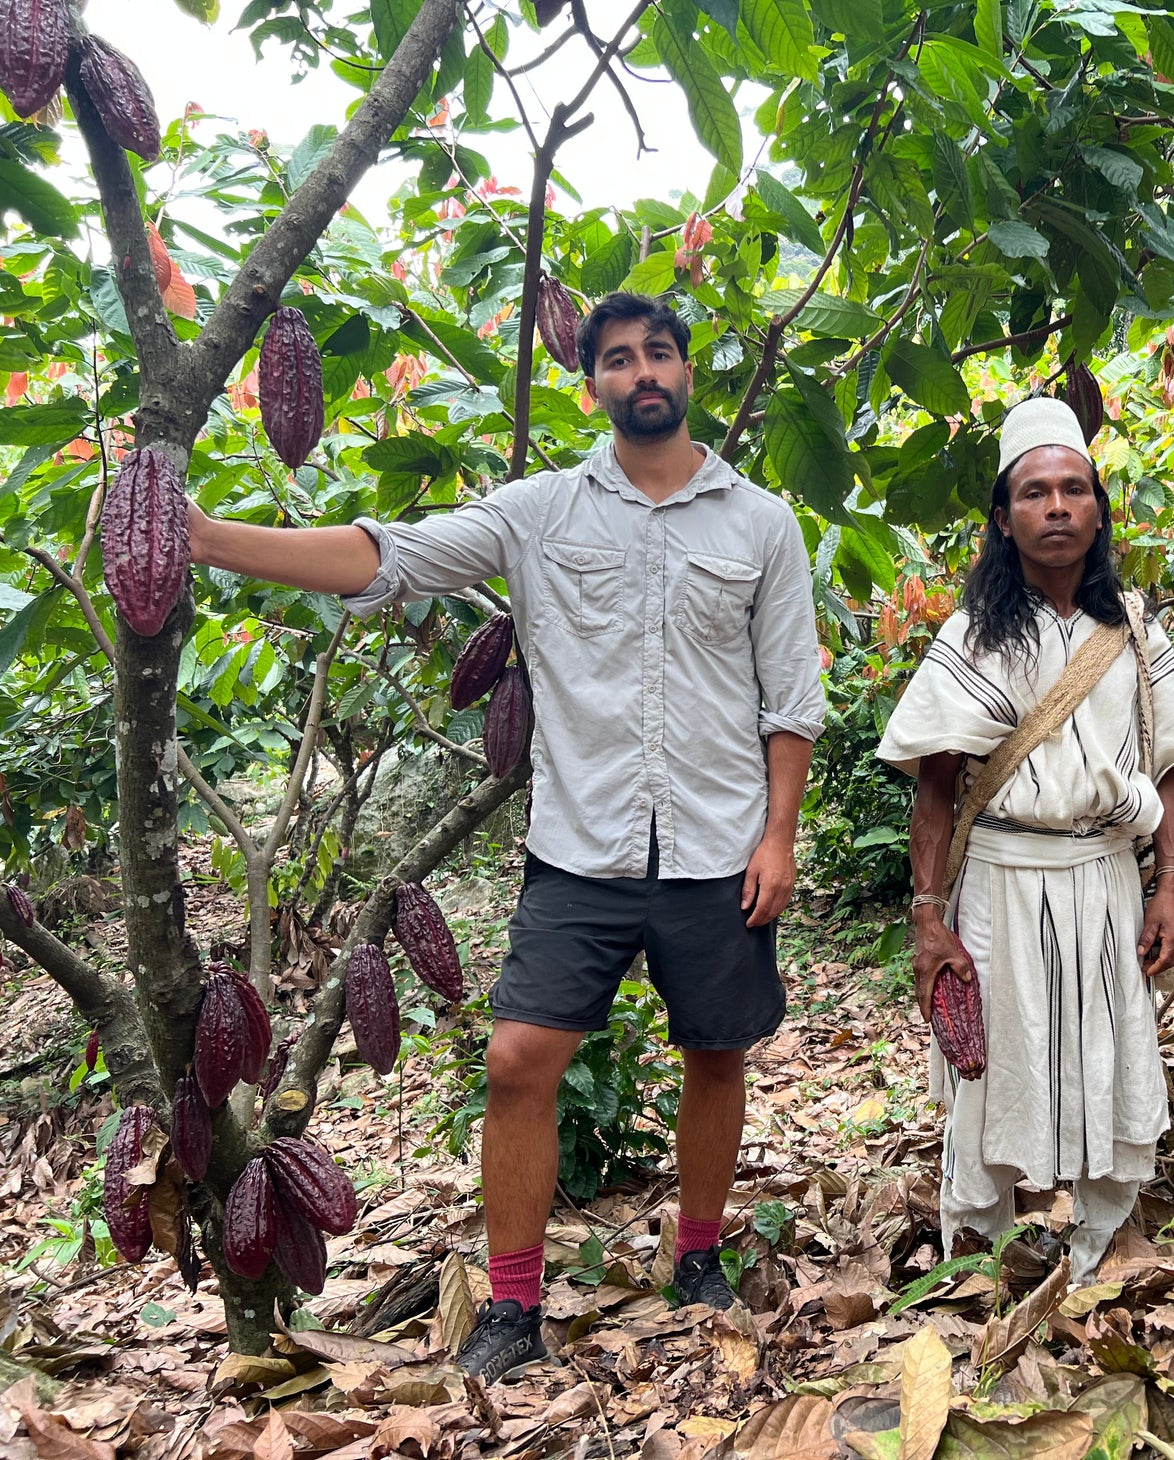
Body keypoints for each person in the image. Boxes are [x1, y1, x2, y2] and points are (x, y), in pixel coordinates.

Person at [187, 292, 826, 1379]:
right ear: (594, 384)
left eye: (657, 352)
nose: (640, 372)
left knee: (715, 1052)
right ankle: (515, 1305)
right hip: (581, 844)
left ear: (686, 370)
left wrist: (780, 835)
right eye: (616, 359)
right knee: (518, 1060)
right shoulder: (539, 511)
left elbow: (791, 698)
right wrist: (208, 540)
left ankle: (700, 1254)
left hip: (720, 841)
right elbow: (388, 557)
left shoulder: (761, 523)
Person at [877, 397, 1174, 1282]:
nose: (1057, 507)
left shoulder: (1134, 632)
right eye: (1034, 493)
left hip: (1107, 876)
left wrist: (1168, 885)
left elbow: (1170, 765)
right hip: (998, 877)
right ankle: (979, 1254)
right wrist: (928, 917)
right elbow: (937, 784)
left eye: (1074, 489)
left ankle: (1103, 1246)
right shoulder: (972, 637)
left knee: (1111, 1049)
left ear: (1099, 508)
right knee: (992, 1064)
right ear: (1004, 518)